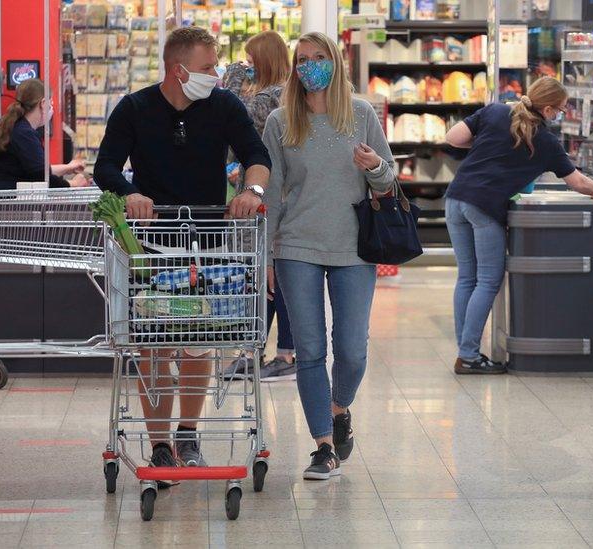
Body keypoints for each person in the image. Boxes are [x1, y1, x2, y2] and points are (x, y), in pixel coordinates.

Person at [94, 26, 271, 475]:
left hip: (207, 243)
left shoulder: (224, 106)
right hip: (150, 247)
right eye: (209, 67)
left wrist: (250, 189)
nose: (217, 74)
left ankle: (187, 433)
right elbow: (105, 166)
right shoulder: (134, 108)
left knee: (197, 342)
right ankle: (158, 444)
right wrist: (129, 193)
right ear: (179, 69)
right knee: (153, 343)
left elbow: (256, 154)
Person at [261, 31, 393, 480]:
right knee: (310, 350)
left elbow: (388, 178)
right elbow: (273, 191)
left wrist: (374, 166)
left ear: (335, 62)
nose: (310, 65)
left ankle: (339, 411)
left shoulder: (360, 114)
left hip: (354, 247)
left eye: (319, 57)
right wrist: (267, 254)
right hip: (296, 246)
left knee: (352, 350)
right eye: (303, 59)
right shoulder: (281, 120)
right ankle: (322, 446)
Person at [442, 77, 593, 375]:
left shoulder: (494, 112)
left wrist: (484, 144)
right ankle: (468, 355)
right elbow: (577, 182)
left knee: (467, 278)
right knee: (487, 281)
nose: (559, 115)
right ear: (547, 109)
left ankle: (465, 351)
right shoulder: (545, 141)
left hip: (455, 199)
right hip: (484, 208)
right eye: (559, 110)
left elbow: (453, 137)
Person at [220, 30, 297, 382]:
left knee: (275, 275)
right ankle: (253, 349)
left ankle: (285, 352)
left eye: (251, 61)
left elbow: (230, 118)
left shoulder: (274, 95)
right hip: (255, 194)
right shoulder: (272, 94)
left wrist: (232, 80)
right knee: (260, 275)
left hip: (272, 196)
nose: (245, 67)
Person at [0, 78, 88, 190]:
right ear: (43, 103)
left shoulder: (17, 127)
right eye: (50, 103)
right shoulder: (25, 133)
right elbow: (40, 174)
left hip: (2, 197)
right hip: (6, 202)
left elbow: (37, 168)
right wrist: (72, 184)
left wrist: (68, 168)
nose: (51, 109)